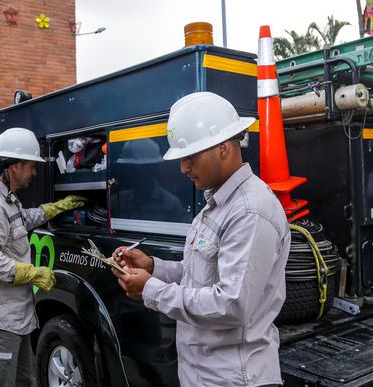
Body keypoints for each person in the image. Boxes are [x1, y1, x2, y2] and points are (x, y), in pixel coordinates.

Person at [112, 92, 291, 386]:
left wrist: (152, 290)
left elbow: (231, 304)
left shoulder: (250, 211)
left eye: (190, 156)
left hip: (234, 379)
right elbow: (199, 275)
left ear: (223, 148)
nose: (183, 168)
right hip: (205, 373)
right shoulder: (218, 204)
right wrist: (153, 267)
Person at [0, 127, 85, 387]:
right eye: (31, 166)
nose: (34, 172)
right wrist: (32, 273)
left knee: (23, 382)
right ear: (13, 167)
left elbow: (23, 220)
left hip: (16, 318)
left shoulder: (9, 201)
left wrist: (55, 208)